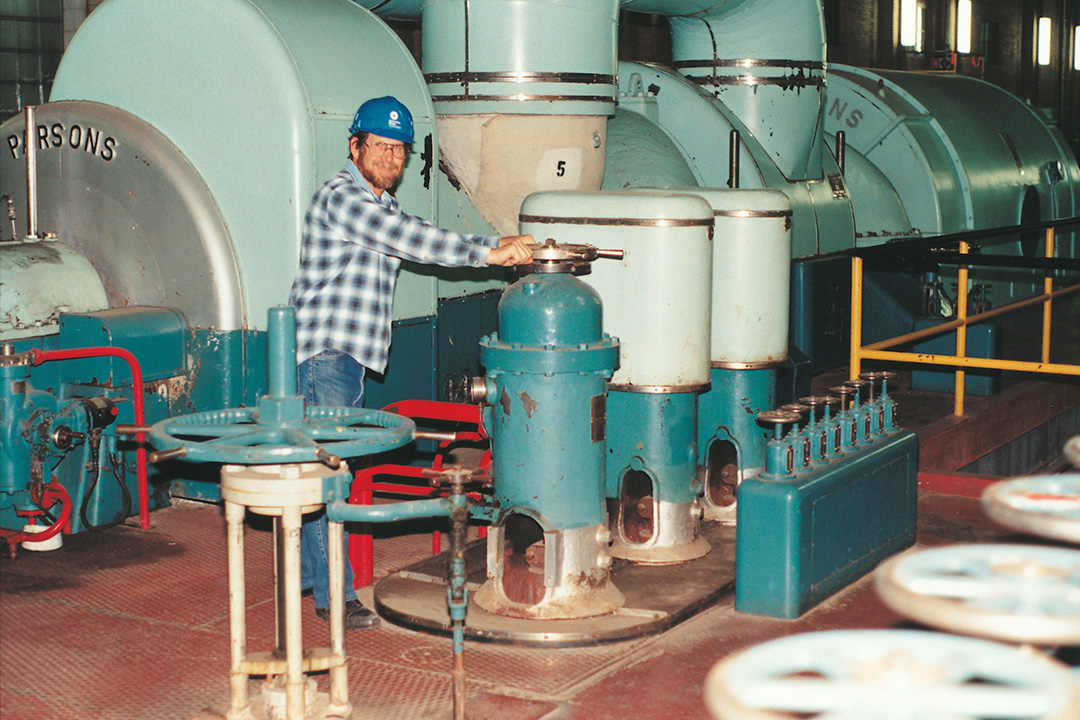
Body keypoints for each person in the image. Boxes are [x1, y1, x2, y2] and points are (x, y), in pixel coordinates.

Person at [288, 95, 534, 630]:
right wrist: (492, 250)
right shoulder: (341, 198)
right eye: (379, 145)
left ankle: (313, 581)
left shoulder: (383, 205)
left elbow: (405, 230)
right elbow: (411, 241)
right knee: (329, 473)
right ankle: (336, 599)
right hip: (325, 357)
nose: (390, 157)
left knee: (323, 469)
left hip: (345, 359)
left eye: (399, 149)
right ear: (354, 146)